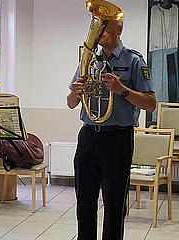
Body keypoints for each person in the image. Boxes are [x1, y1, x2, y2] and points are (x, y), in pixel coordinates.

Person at [67, 19, 156, 240]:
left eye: (104, 28)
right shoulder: (88, 60)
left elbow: (151, 103)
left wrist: (122, 89)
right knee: (84, 202)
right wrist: (74, 94)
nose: (99, 33)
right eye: (96, 28)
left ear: (119, 30)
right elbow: (70, 103)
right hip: (88, 135)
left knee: (114, 204)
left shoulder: (134, 60)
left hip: (118, 138)